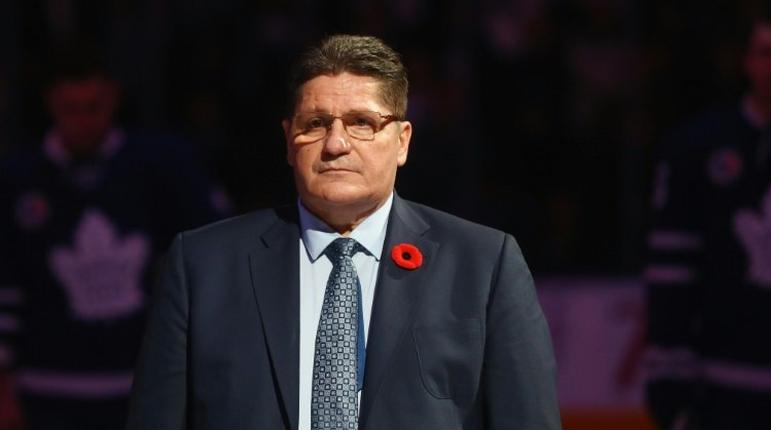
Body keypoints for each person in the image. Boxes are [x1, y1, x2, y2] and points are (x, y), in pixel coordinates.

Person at [126, 34, 560, 430]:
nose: (335, 144)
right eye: (315, 124)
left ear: (403, 140)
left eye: (361, 123)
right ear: (287, 140)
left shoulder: (484, 265)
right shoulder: (202, 265)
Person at [0, 44, 227, 429]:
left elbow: (212, 261)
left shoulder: (160, 169)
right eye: (70, 109)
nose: (83, 122)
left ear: (112, 99)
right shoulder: (18, 179)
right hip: (45, 386)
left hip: (141, 381)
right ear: (51, 104)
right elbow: (5, 287)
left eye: (93, 107)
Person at [644, 4, 771, 429]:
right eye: (766, 53)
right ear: (747, 61)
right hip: (723, 392)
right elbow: (670, 277)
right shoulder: (696, 148)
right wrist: (670, 387)